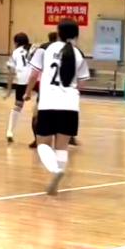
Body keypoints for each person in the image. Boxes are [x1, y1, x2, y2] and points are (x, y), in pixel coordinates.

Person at [26, 19, 90, 195]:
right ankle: (59, 171)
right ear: (76, 35)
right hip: (70, 106)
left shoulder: (44, 49)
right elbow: (82, 84)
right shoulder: (78, 54)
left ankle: (55, 170)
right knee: (62, 147)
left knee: (42, 144)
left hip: (48, 103)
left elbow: (33, 75)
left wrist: (27, 93)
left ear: (58, 32)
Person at [28, 31, 59, 149]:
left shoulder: (42, 48)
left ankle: (36, 140)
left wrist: (28, 91)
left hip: (45, 87)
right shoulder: (64, 49)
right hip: (59, 89)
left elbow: (34, 70)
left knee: (36, 115)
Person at [4, 32, 33, 143]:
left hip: (22, 81)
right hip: (35, 80)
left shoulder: (15, 53)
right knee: (41, 106)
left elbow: (11, 73)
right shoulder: (33, 49)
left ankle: (10, 131)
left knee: (18, 106)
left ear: (16, 42)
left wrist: (8, 90)